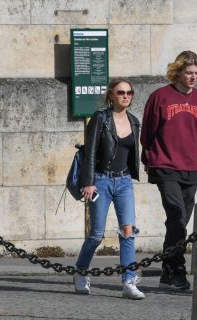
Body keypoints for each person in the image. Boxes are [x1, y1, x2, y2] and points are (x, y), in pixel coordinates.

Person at [140, 50, 197, 290]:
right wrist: (150, 155)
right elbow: (148, 130)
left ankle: (168, 270)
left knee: (178, 222)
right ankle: (178, 269)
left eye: (196, 73)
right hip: (164, 164)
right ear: (177, 72)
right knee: (177, 215)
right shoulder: (160, 96)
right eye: (188, 73)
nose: (193, 77)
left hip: (190, 166)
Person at [73, 79, 145, 300]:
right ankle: (81, 272)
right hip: (101, 181)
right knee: (96, 234)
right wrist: (88, 181)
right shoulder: (101, 118)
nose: (126, 96)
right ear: (111, 95)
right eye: (121, 92)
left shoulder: (134, 121)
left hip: (124, 182)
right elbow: (91, 151)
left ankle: (129, 282)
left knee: (128, 231)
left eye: (129, 92)